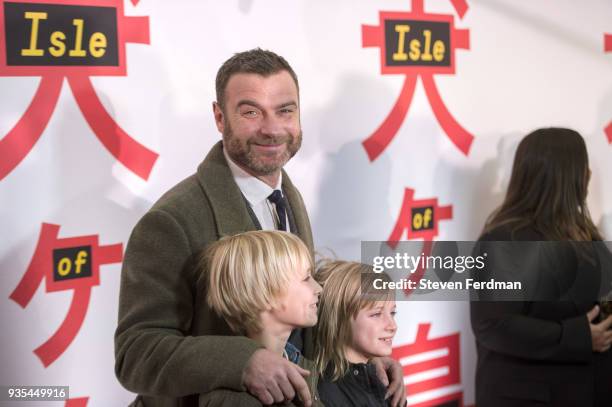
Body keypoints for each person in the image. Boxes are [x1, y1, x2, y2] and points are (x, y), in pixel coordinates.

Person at [114, 48, 405, 407]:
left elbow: (298, 325)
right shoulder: (170, 220)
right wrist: (243, 361)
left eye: (285, 111)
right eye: (251, 112)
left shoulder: (288, 195)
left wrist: (361, 352)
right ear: (220, 118)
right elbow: (135, 354)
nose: (272, 129)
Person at [470, 127, 612, 407]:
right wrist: (580, 337)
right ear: (566, 176)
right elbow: (493, 324)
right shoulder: (503, 241)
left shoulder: (585, 232)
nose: (590, 176)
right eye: (583, 167)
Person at [198, 230, 323, 406]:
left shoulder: (302, 369)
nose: (318, 288)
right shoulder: (234, 401)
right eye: (306, 278)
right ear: (265, 293)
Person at [314, 261, 398, 407]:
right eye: (377, 314)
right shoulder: (325, 395)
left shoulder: (382, 379)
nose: (393, 326)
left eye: (392, 313)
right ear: (340, 320)